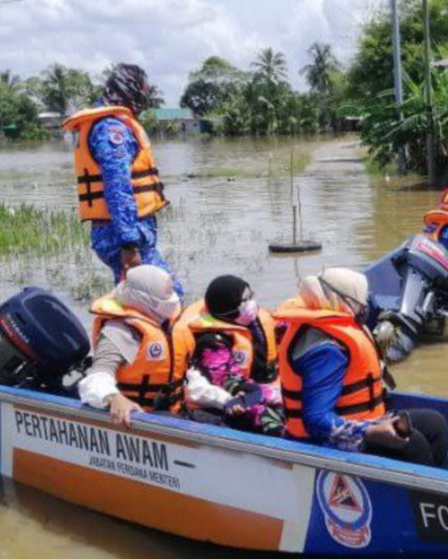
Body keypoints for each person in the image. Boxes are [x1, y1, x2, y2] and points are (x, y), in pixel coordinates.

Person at [275, 268, 448, 466]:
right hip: (322, 439)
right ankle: (421, 493)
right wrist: (369, 432)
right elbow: (315, 420)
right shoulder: (325, 349)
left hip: (359, 420)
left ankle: (436, 488)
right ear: (340, 299)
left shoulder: (336, 322)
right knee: (413, 443)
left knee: (435, 423)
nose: (364, 305)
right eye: (359, 300)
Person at [63, 64, 182, 296]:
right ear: (129, 90)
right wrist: (129, 244)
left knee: (136, 301)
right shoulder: (111, 129)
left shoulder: (112, 123)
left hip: (125, 235)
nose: (144, 101)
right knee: (170, 295)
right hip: (121, 238)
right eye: (142, 94)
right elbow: (117, 187)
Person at [78, 265, 186, 428]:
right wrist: (113, 398)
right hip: (143, 417)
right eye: (166, 293)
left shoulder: (165, 322)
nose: (172, 299)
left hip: (175, 410)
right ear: (144, 298)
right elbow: (94, 380)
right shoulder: (119, 331)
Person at [174, 275, 284, 433]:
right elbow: (226, 380)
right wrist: (271, 395)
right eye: (246, 299)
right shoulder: (212, 343)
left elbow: (286, 330)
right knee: (271, 421)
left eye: (251, 295)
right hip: (237, 399)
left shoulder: (256, 321)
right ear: (230, 308)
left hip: (268, 386)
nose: (252, 303)